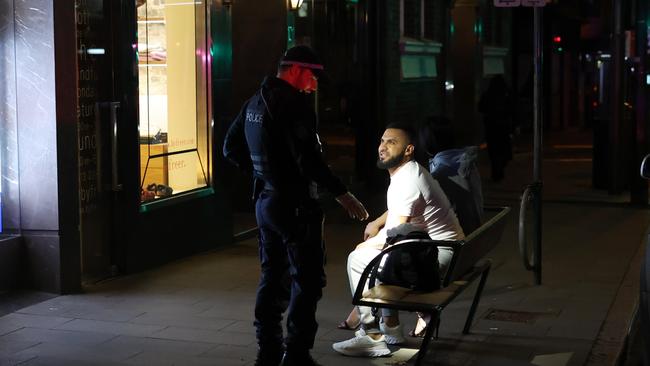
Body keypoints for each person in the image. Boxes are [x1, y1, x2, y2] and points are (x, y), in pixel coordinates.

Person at [223, 45, 369, 366]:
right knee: (307, 279)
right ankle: (298, 354)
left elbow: (229, 148)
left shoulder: (254, 102)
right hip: (295, 206)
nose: (315, 84)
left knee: (272, 275)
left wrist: (263, 172)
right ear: (298, 70)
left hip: (265, 203)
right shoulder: (295, 106)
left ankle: (269, 349)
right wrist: (343, 194)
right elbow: (310, 162)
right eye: (314, 76)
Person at [331, 123, 464, 358]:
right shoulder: (411, 171)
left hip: (437, 256)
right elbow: (399, 213)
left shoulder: (406, 181)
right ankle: (390, 326)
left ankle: (371, 336)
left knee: (358, 259)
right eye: (382, 141)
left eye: (392, 142)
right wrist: (378, 222)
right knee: (371, 257)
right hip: (444, 249)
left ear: (408, 149)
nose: (383, 147)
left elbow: (396, 237)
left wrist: (365, 245)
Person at [478, 75, 513, 182]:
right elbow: (511, 110)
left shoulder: (488, 95)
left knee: (494, 152)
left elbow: (480, 108)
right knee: (502, 150)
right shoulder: (505, 96)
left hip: (491, 128)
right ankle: (499, 170)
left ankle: (496, 172)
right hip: (503, 128)